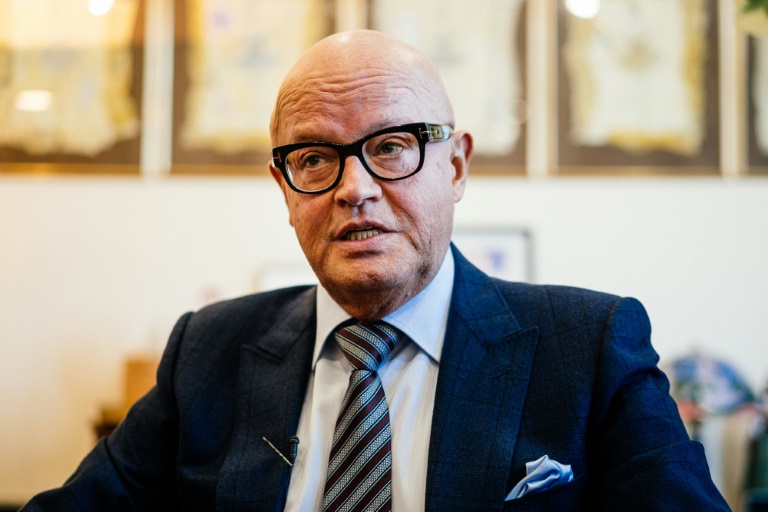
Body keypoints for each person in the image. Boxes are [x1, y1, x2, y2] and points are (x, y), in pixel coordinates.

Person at [23, 30, 728, 511]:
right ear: (284, 188)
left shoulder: (590, 346)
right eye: (314, 159)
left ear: (456, 167)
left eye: (391, 147)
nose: (353, 189)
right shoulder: (207, 351)